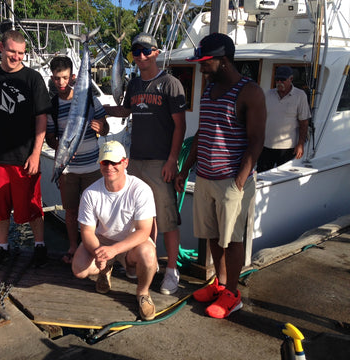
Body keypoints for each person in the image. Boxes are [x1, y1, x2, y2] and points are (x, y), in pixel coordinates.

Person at [176, 33, 266, 318]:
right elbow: (204, 132)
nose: (200, 68)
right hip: (204, 177)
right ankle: (220, 283)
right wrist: (187, 167)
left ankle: (233, 294)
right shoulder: (208, 88)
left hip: (232, 182)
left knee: (234, 240)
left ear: (223, 61)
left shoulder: (250, 92)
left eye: (205, 62)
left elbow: (256, 140)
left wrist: (239, 182)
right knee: (213, 235)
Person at [103, 33, 187, 295]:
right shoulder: (134, 85)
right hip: (136, 160)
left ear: (156, 52)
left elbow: (180, 126)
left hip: (160, 161)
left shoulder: (170, 83)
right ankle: (145, 263)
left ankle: (172, 271)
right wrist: (99, 108)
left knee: (167, 218)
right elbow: (127, 110)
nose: (140, 56)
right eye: (135, 52)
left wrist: (172, 160)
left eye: (145, 51)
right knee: (141, 219)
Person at [0, 30, 51, 268]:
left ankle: (39, 245)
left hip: (25, 157)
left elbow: (41, 118)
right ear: (1, 48)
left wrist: (37, 153)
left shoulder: (33, 78)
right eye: (11, 52)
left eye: (20, 53)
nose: (16, 57)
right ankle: (3, 247)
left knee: (32, 205)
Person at [72, 141, 158, 320]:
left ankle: (143, 293)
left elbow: (144, 231)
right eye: (105, 162)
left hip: (132, 243)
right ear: (100, 164)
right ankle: (105, 269)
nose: (110, 167)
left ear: (125, 163)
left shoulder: (141, 190)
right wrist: (99, 252)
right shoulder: (90, 193)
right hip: (103, 240)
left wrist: (114, 250)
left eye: (115, 162)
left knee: (149, 255)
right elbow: (87, 231)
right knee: (79, 270)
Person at [46, 56, 109, 264]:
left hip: (92, 167)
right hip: (68, 170)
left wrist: (102, 127)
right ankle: (74, 247)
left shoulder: (89, 99)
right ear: (52, 78)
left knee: (97, 213)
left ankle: (96, 250)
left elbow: (106, 126)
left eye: (64, 78)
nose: (61, 83)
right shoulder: (52, 105)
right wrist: (61, 147)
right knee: (71, 211)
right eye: (56, 79)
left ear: (72, 77)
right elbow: (50, 137)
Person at [257, 65, 311, 172]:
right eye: (277, 79)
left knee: (283, 175)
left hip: (288, 147)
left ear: (291, 79)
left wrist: (300, 144)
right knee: (261, 174)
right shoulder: (268, 94)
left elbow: (304, 122)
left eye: (283, 79)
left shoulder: (300, 95)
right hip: (266, 145)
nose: (279, 82)